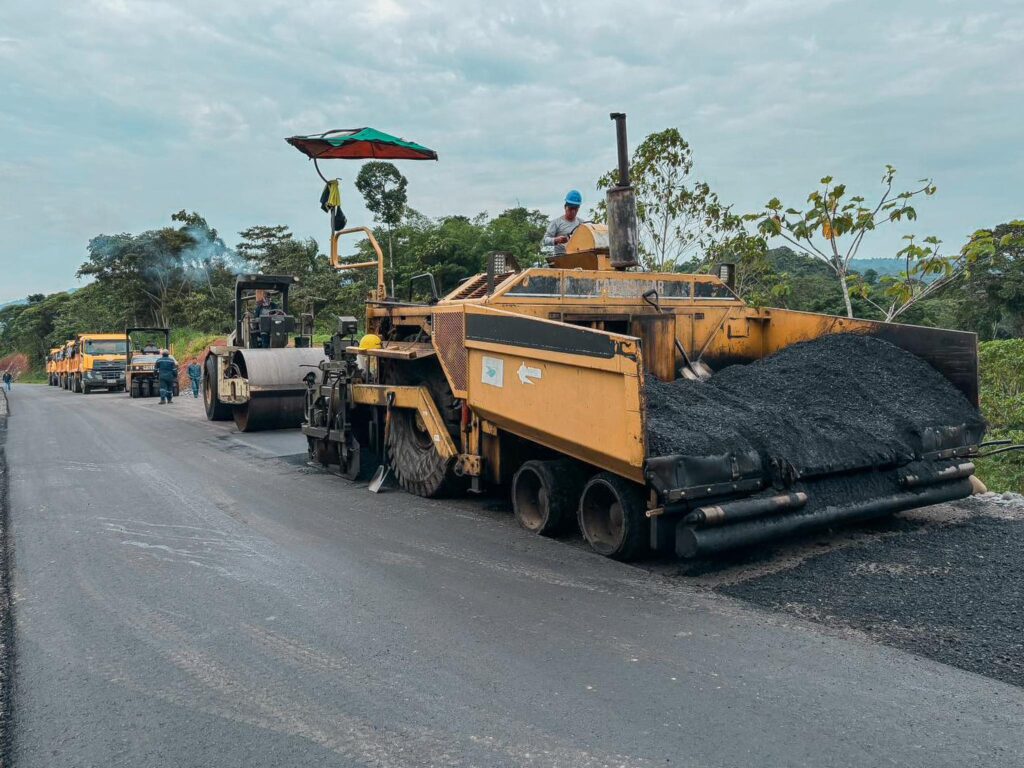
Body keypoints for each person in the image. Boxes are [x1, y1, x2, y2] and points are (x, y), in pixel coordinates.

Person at [542, 189, 584, 256]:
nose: (573, 212)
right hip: (561, 258)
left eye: (575, 209)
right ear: (565, 207)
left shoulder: (582, 223)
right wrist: (556, 240)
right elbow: (545, 240)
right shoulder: (556, 222)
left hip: (577, 257)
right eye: (571, 208)